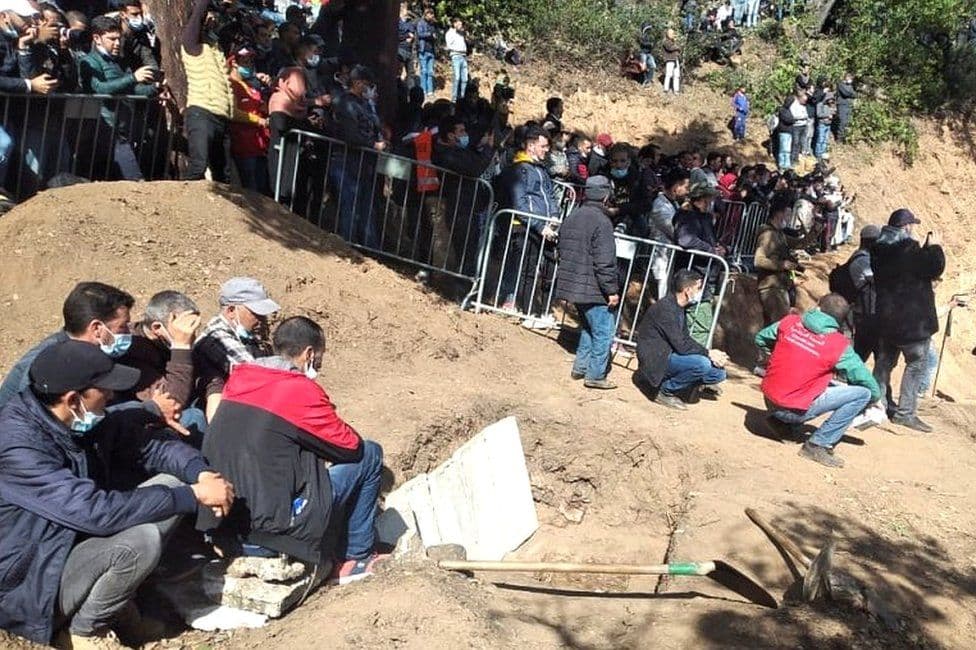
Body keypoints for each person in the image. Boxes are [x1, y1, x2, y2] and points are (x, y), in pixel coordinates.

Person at [0, 340, 234, 647]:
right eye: (104, 390)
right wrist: (194, 496)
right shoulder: (19, 447)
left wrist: (199, 474)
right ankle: (83, 632)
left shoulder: (73, 419)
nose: (111, 396)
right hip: (28, 586)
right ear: (73, 399)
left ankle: (116, 607)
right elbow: (94, 512)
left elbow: (149, 446)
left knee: (175, 485)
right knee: (140, 542)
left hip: (66, 546)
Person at [199, 316, 387, 584]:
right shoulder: (299, 389)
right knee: (370, 453)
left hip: (222, 525)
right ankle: (357, 557)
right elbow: (349, 447)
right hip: (272, 532)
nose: (318, 365)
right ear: (309, 353)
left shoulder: (240, 379)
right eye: (319, 358)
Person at [756, 294, 882, 468]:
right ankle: (818, 444)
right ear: (841, 320)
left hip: (769, 397)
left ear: (818, 306)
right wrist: (876, 398)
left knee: (821, 381)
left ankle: (781, 423)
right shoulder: (838, 345)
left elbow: (761, 338)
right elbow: (863, 378)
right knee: (863, 394)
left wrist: (777, 356)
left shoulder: (790, 322)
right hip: (791, 408)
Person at [0, 281, 135, 411]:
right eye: (122, 327)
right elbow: (42, 421)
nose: (128, 333)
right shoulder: (50, 364)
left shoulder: (84, 352)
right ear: (97, 329)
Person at [871, 209, 946, 432]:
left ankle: (877, 404)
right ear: (906, 227)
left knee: (883, 365)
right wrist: (935, 247)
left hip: (886, 318)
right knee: (916, 366)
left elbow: (907, 269)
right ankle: (905, 413)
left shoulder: (878, 249)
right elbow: (934, 268)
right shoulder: (908, 249)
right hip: (913, 324)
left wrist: (922, 249)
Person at [554, 176, 620, 390]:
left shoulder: (573, 215)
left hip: (573, 284)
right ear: (606, 196)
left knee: (588, 328)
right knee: (604, 331)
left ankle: (580, 368)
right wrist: (611, 290)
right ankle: (595, 375)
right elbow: (604, 262)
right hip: (593, 288)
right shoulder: (602, 222)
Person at [80, 15, 159, 181]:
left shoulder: (119, 62)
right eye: (112, 39)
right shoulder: (89, 61)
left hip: (124, 129)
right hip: (105, 130)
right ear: (97, 38)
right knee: (134, 180)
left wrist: (155, 88)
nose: (117, 43)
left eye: (119, 39)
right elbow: (100, 89)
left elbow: (132, 90)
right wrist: (133, 78)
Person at [636, 269, 728, 410]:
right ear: (688, 290)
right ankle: (665, 391)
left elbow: (684, 339)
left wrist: (710, 354)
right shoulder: (666, 309)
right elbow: (682, 345)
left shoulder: (679, 307)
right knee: (702, 364)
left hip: (669, 354)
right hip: (656, 359)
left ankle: (680, 385)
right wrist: (709, 353)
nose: (700, 292)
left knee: (718, 373)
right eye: (698, 288)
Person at [193, 277, 280, 419]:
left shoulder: (245, 337)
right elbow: (254, 375)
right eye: (256, 313)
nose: (262, 320)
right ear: (231, 310)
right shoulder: (216, 337)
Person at [331, 64, 386, 247]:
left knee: (366, 209)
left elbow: (374, 126)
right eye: (367, 85)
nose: (370, 89)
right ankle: (347, 247)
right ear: (357, 83)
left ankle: (369, 250)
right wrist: (373, 144)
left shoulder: (365, 104)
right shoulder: (345, 102)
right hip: (347, 162)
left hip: (364, 164)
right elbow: (351, 134)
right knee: (350, 207)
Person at [181, 0, 235, 182]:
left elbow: (228, 27)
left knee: (223, 175)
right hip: (201, 112)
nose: (213, 21)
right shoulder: (191, 45)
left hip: (222, 117)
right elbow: (197, 17)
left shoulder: (216, 48)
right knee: (198, 166)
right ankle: (179, 207)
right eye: (209, 18)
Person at [227, 46, 272, 195]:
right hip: (243, 145)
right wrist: (258, 120)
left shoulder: (252, 85)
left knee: (262, 189)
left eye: (249, 61)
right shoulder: (230, 84)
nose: (247, 64)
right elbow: (233, 112)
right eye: (243, 61)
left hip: (260, 145)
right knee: (250, 191)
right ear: (233, 62)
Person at [754, 202, 802, 325]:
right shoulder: (768, 235)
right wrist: (782, 265)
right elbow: (758, 260)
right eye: (787, 214)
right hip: (771, 288)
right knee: (778, 327)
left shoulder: (779, 234)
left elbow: (800, 243)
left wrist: (815, 229)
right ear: (779, 214)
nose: (789, 218)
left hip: (780, 287)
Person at [649, 167, 690, 298]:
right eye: (686, 186)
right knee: (662, 294)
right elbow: (675, 231)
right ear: (676, 187)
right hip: (661, 257)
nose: (687, 191)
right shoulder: (660, 206)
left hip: (671, 257)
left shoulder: (674, 204)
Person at [848, 224, 880, 361]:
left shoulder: (862, 257)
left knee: (875, 354)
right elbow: (879, 280)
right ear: (871, 242)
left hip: (867, 314)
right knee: (860, 355)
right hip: (864, 315)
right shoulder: (863, 260)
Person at [415, 6, 437, 98]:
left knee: (430, 72)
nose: (431, 16)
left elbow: (434, 35)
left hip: (431, 51)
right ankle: (423, 90)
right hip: (423, 50)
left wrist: (435, 37)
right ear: (426, 14)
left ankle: (430, 91)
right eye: (430, 14)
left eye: (432, 15)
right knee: (423, 71)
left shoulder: (432, 25)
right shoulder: (421, 23)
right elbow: (420, 34)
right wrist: (430, 34)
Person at [445, 17, 468, 103]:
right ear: (454, 24)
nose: (461, 26)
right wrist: (457, 49)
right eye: (459, 24)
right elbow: (449, 46)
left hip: (463, 56)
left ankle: (462, 97)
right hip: (456, 56)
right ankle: (454, 99)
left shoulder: (461, 33)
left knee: (465, 79)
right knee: (457, 77)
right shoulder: (449, 33)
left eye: (461, 24)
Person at [835, 72, 856, 143]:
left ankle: (845, 138)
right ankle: (839, 138)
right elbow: (845, 93)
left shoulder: (850, 86)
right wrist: (851, 94)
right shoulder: (840, 84)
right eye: (850, 78)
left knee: (847, 122)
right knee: (842, 121)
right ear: (846, 77)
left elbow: (855, 94)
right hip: (842, 105)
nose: (851, 80)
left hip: (848, 105)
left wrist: (851, 94)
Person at [637, 21, 656, 88]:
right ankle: (644, 80)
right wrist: (649, 44)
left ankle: (648, 80)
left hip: (649, 53)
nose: (649, 30)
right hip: (643, 53)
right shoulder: (641, 35)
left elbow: (652, 44)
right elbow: (642, 43)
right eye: (648, 28)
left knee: (653, 66)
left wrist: (651, 45)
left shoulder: (649, 36)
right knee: (643, 67)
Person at [662, 28, 681, 94]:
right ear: (668, 34)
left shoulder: (673, 42)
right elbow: (670, 48)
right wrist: (677, 47)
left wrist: (676, 46)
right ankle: (666, 89)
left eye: (673, 33)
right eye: (671, 33)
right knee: (668, 74)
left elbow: (678, 48)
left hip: (675, 59)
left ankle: (676, 90)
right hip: (669, 60)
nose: (673, 35)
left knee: (676, 75)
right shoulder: (665, 41)